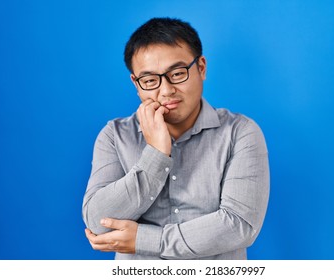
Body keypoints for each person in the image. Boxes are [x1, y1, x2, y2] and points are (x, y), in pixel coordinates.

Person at [82, 17, 270, 260]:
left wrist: (144, 240)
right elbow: (98, 223)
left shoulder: (240, 132)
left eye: (178, 73)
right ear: (136, 84)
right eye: (150, 80)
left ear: (201, 68)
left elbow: (239, 225)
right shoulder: (115, 136)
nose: (166, 90)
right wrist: (156, 155)